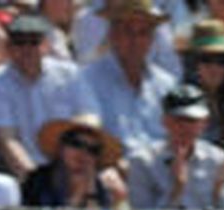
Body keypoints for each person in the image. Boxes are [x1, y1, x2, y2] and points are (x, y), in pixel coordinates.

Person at [125, 82, 224, 210]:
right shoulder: (142, 162)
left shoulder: (217, 160)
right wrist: (176, 190)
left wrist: (218, 192)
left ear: (204, 123)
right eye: (179, 120)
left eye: (192, 121)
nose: (186, 128)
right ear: (165, 121)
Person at [74, 0, 179, 155]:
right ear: (112, 35)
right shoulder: (87, 80)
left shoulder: (166, 84)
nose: (135, 41)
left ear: (152, 40)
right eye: (128, 31)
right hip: (112, 169)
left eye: (143, 33)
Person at [0, 11, 86, 184]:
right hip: (23, 173)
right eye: (19, 43)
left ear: (45, 45)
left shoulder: (70, 74)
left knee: (111, 188)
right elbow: (8, 140)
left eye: (34, 42)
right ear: (9, 47)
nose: (27, 49)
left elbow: (86, 119)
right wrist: (36, 181)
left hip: (71, 166)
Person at [181, 19, 224, 157]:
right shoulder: (181, 103)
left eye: (222, 61)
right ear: (193, 63)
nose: (215, 68)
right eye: (206, 60)